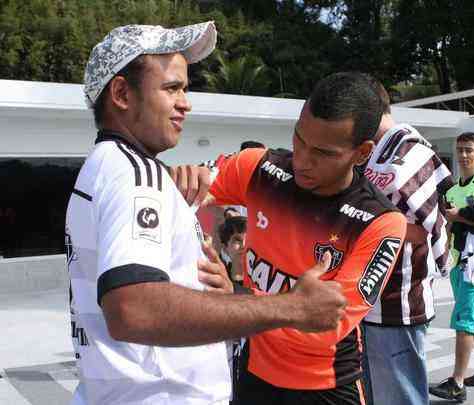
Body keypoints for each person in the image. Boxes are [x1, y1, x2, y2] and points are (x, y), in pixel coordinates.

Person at [66, 22, 346, 405]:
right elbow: (133, 309)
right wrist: (291, 307)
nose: (186, 102)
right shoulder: (135, 175)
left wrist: (211, 287)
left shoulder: (108, 167)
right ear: (121, 93)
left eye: (185, 88)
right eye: (171, 88)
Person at [174, 72, 407, 405]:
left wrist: (235, 297)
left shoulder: (381, 223)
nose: (302, 159)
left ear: (361, 153)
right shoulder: (257, 167)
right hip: (253, 374)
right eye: (299, 138)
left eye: (324, 153)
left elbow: (326, 323)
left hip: (327, 385)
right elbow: (171, 192)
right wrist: (183, 178)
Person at [360, 79, 454, 405]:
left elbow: (419, 229)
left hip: (396, 306)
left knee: (399, 398)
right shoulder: (375, 153)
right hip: (369, 306)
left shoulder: (409, 152)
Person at [429, 132, 474, 402]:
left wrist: (460, 216)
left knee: (464, 320)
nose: (463, 155)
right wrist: (442, 252)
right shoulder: (452, 189)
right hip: (459, 262)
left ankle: (457, 383)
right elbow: (448, 224)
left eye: (469, 150)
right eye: (460, 150)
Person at [218, 215, 247, 285]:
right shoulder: (217, 277)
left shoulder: (263, 282)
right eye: (237, 240)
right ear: (225, 248)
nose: (243, 245)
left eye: (249, 240)